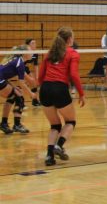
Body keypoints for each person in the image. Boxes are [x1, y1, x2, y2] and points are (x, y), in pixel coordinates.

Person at [38, 27, 85, 166]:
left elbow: (41, 75)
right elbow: (74, 75)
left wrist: (42, 90)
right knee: (71, 121)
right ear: (69, 39)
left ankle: (49, 156)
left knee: (55, 125)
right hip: (59, 88)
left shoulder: (50, 53)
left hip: (45, 88)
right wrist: (81, 94)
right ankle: (59, 145)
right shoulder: (73, 53)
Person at [0, 45, 36, 134]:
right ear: (24, 53)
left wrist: (12, 86)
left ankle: (4, 124)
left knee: (12, 97)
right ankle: (17, 125)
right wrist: (31, 94)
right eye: (30, 51)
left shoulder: (16, 60)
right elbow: (21, 83)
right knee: (18, 97)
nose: (32, 52)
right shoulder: (19, 63)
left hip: (2, 79)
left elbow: (4, 73)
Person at [24, 38, 41, 106]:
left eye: (35, 43)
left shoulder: (35, 53)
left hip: (25, 68)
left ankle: (35, 101)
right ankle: (20, 102)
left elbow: (35, 65)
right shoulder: (24, 52)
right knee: (23, 84)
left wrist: (37, 76)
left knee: (34, 84)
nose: (35, 44)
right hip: (18, 68)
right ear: (28, 45)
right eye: (32, 43)